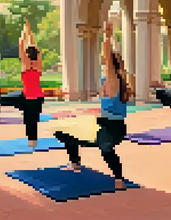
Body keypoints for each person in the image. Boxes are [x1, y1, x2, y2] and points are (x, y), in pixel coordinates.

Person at [54, 21, 130, 190]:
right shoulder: (119, 78)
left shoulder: (113, 78)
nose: (104, 62)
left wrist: (107, 36)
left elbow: (109, 56)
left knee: (105, 149)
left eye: (107, 61)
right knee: (65, 132)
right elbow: (115, 62)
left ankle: (119, 179)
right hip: (107, 124)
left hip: (112, 129)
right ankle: (75, 163)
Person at [0, 19, 44, 149]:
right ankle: (32, 141)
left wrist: (25, 30)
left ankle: (32, 141)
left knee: (28, 120)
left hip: (29, 98)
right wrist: (29, 31)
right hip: (36, 98)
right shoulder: (38, 65)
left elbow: (21, 44)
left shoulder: (25, 64)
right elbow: (35, 48)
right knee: (31, 121)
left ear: (27, 55)